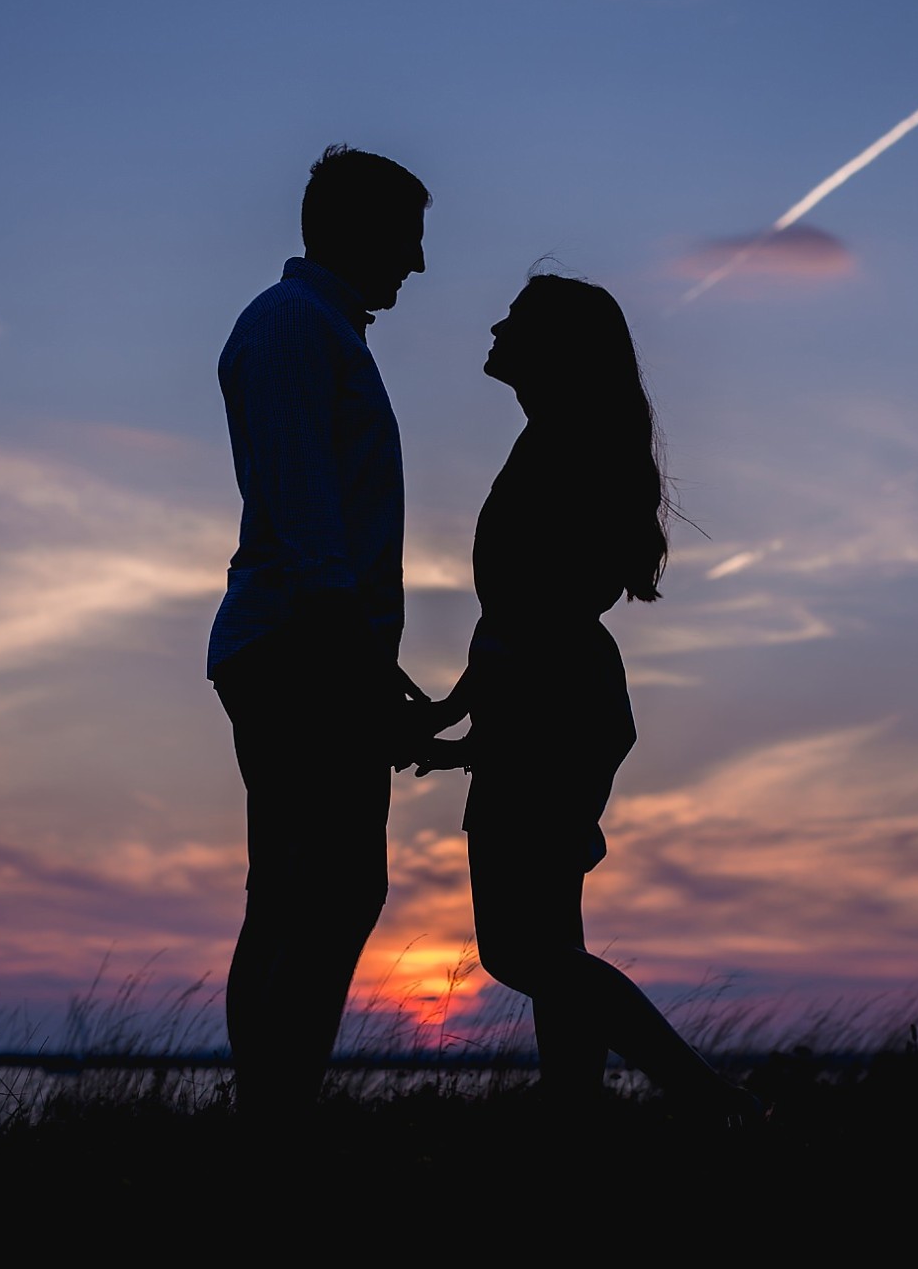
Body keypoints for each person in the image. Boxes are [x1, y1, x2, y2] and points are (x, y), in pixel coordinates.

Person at [413, 274, 760, 1122]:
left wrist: (473, 716)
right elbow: (529, 608)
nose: (495, 325)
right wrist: (466, 716)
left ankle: (709, 1100)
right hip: (556, 701)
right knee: (550, 941)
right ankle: (575, 1127)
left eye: (518, 320)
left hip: (548, 705)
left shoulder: (565, 445)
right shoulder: (561, 439)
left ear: (555, 348)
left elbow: (538, 606)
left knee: (518, 949)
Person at [207, 144, 433, 1118]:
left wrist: (375, 674)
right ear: (358, 228)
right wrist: (358, 669)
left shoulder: (319, 329)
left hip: (312, 645)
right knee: (324, 888)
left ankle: (269, 1115)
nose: (416, 262)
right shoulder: (295, 327)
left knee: (305, 890)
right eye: (406, 237)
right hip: (300, 647)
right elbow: (307, 520)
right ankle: (271, 1119)